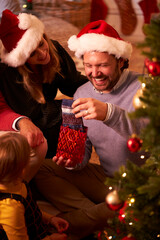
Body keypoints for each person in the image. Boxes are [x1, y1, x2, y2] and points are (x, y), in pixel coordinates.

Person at [33, 20, 148, 238]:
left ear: (121, 60)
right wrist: (74, 161)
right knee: (42, 169)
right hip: (107, 179)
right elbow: (84, 151)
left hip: (143, 185)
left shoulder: (145, 88)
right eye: (88, 66)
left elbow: (152, 138)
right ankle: (101, 217)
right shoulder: (82, 93)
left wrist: (110, 113)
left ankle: (66, 223)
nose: (95, 74)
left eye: (103, 65)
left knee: (130, 207)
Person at [0, 9, 88, 158]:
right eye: (32, 53)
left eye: (41, 43)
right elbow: (35, 113)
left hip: (46, 114)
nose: (42, 53)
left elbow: (73, 83)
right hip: (27, 120)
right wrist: (72, 108)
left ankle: (72, 161)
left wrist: (99, 89)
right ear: (22, 59)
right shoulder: (9, 72)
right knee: (73, 115)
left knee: (85, 111)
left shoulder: (53, 49)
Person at [0, 132, 69, 240]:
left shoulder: (15, 181)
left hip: (38, 228)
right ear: (22, 167)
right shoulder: (11, 207)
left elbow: (30, 208)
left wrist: (50, 219)